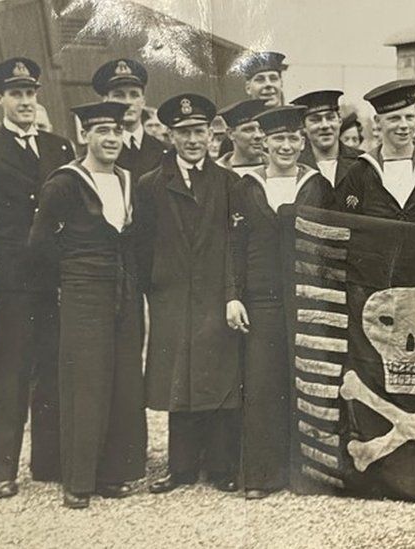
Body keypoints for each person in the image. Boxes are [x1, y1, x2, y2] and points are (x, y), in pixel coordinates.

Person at [0, 57, 75, 499]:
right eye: (16, 95)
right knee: (10, 373)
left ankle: (48, 463)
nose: (25, 102)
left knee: (52, 371)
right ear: (0, 99)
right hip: (10, 282)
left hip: (54, 280)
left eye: (30, 94)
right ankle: (2, 471)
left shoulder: (59, 148)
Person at [28, 101, 147, 509]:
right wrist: (66, 282)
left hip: (123, 291)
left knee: (121, 378)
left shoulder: (128, 180)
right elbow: (39, 244)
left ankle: (113, 474)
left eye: (116, 131)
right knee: (85, 383)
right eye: (101, 132)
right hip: (83, 290)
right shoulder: (64, 183)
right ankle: (78, 480)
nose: (111, 139)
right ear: (85, 136)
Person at [226, 105, 334, 499]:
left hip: (306, 296)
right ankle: (261, 476)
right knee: (262, 383)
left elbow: (328, 243)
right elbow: (234, 246)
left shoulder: (317, 184)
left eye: (292, 138)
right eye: (277, 139)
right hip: (263, 298)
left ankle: (307, 475)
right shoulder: (246, 186)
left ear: (302, 142)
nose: (285, 146)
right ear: (264, 143)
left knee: (306, 381)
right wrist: (234, 296)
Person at [137, 94, 242, 495]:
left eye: (199, 131)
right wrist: (157, 287)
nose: (193, 140)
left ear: (211, 135)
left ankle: (221, 466)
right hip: (173, 295)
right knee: (178, 378)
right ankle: (180, 468)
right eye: (184, 133)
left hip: (216, 293)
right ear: (170, 136)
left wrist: (231, 291)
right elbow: (142, 244)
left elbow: (234, 240)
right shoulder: (151, 185)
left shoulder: (228, 182)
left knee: (218, 374)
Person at [338, 79, 415, 223]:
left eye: (409, 117)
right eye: (394, 119)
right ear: (378, 121)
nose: (404, 125)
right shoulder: (361, 170)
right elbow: (350, 223)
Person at [92, 59, 168, 185]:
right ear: (106, 101)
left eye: (134, 95)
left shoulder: (166, 151)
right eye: (119, 95)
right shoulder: (95, 153)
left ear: (143, 101)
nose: (128, 102)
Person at [291, 89, 363, 187]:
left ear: (339, 121)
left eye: (330, 118)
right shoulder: (294, 165)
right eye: (315, 120)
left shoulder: (362, 162)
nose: (325, 125)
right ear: (304, 127)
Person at [214, 99, 267, 177]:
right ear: (230, 134)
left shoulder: (278, 167)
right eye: (249, 130)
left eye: (261, 130)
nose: (258, 135)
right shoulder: (216, 172)